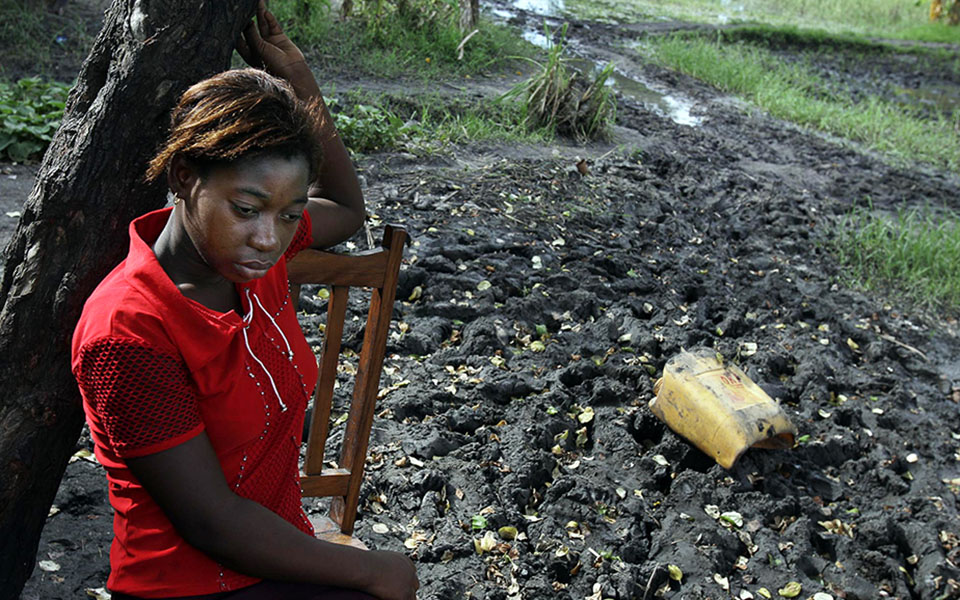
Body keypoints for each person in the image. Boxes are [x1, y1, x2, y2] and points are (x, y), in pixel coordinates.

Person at [70, 3, 419, 599]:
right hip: (194, 585)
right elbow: (211, 521)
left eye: (288, 216)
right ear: (184, 177)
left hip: (274, 551)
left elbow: (347, 208)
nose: (268, 237)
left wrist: (299, 82)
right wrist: (372, 569)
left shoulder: (252, 264)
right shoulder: (129, 330)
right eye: (246, 208)